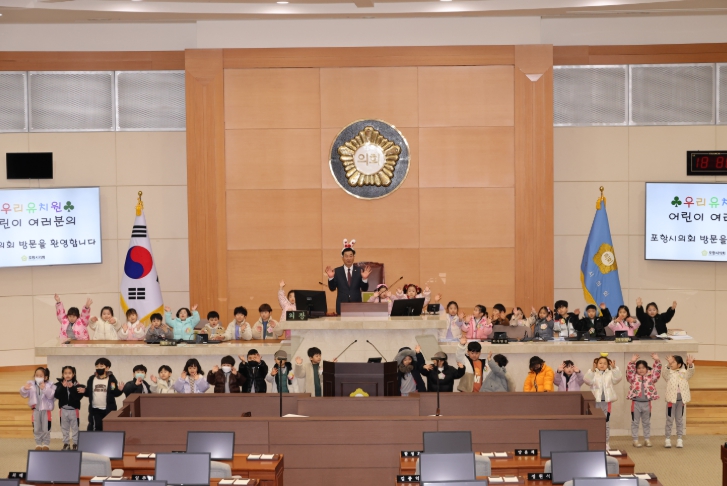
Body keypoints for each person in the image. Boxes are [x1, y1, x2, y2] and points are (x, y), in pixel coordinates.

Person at [584, 355, 622, 450]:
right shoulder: (594, 374)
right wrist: (592, 370)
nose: (602, 365)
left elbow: (618, 379)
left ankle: (606, 442)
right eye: (600, 363)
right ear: (596, 364)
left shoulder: (610, 373)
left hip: (606, 403)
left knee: (606, 423)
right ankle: (594, 441)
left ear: (607, 365)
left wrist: (614, 368)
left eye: (605, 363)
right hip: (595, 402)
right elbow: (587, 381)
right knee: (595, 423)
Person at [325, 239, 371, 314]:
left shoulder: (359, 270)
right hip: (341, 305)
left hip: (356, 305)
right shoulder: (337, 271)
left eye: (350, 256)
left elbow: (364, 289)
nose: (348, 258)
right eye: (346, 256)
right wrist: (331, 278)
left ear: (354, 257)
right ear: (342, 258)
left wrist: (364, 279)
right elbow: (332, 288)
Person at [627, 353, 661, 448]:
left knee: (646, 423)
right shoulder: (633, 377)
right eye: (638, 368)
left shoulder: (651, 377)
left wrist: (657, 361)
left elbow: (657, 372)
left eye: (643, 368)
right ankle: (635, 440)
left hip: (647, 404)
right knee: (635, 422)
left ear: (647, 368)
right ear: (636, 369)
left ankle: (647, 439)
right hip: (636, 403)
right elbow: (629, 373)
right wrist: (632, 362)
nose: (641, 370)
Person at [663, 354, 695, 448]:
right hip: (671, 401)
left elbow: (690, 373)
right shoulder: (669, 373)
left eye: (673, 362)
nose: (671, 363)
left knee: (679, 420)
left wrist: (690, 365)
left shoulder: (684, 373)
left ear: (679, 364)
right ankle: (667, 439)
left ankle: (679, 439)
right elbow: (664, 374)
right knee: (669, 420)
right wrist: (668, 365)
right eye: (671, 362)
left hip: (681, 401)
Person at [20, 367, 55, 450]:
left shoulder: (50, 385)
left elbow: (51, 395)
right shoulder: (31, 385)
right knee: (36, 428)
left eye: (40, 376)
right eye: (37, 375)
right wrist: (24, 389)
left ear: (45, 377)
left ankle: (46, 444)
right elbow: (23, 394)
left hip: (46, 411)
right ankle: (38, 443)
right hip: (35, 410)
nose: (38, 377)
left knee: (46, 428)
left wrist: (44, 388)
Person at [84, 358, 123, 431]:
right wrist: (84, 391)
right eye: (97, 366)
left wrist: (120, 390)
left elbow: (114, 392)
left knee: (109, 428)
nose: (99, 368)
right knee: (96, 427)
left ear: (107, 368)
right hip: (95, 409)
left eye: (101, 366)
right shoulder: (92, 379)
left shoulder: (111, 379)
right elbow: (88, 392)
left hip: (108, 409)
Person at [54, 366, 85, 450]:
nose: (67, 375)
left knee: (75, 428)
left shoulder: (77, 385)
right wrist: (63, 387)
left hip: (74, 410)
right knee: (64, 428)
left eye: (69, 373)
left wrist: (72, 388)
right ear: (62, 374)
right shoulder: (58, 384)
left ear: (73, 374)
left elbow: (77, 397)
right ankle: (66, 443)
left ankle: (75, 443)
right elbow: (56, 395)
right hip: (63, 410)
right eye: (65, 373)